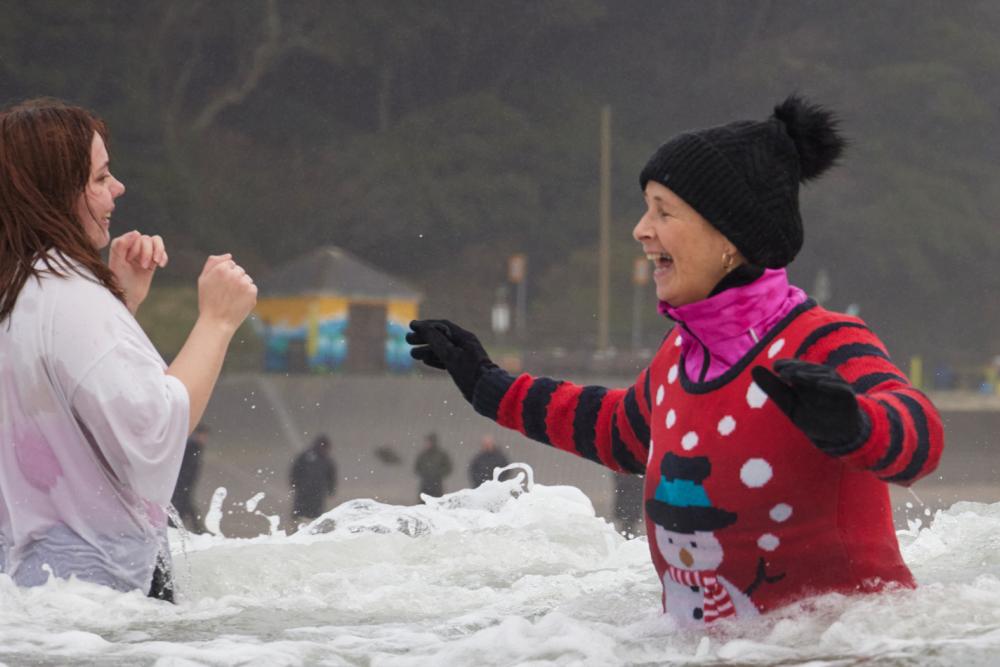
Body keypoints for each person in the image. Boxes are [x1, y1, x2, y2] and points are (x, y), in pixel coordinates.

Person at [407, 95, 944, 626]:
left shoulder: (822, 339)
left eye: (664, 211)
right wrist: (489, 385)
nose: (642, 229)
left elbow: (919, 436)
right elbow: (618, 429)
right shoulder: (681, 357)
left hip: (842, 649)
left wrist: (856, 425)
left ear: (731, 238)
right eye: (647, 208)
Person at [0, 98, 258, 601]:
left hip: (27, 584)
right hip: (101, 591)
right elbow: (151, 431)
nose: (116, 189)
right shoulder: (68, 294)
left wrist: (121, 303)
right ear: (52, 194)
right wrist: (217, 320)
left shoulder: (17, 287)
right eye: (99, 178)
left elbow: (67, 410)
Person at [170, 423, 210, 533]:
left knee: (185, 510)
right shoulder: (191, 447)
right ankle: (200, 532)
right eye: (203, 435)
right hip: (182, 485)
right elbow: (185, 468)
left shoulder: (195, 446)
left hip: (185, 485)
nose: (205, 439)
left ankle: (199, 532)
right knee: (182, 509)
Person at [289, 434, 338, 521]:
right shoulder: (306, 457)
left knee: (314, 518)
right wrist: (294, 484)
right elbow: (295, 472)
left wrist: (331, 489)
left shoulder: (326, 460)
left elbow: (331, 477)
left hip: (317, 496)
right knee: (301, 517)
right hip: (304, 495)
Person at [414, 432, 452, 498]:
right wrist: (425, 473)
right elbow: (416, 468)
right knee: (423, 502)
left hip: (437, 484)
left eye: (429, 441)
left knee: (437, 501)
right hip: (425, 484)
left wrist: (438, 473)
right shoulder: (423, 455)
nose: (428, 443)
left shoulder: (441, 455)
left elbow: (448, 468)